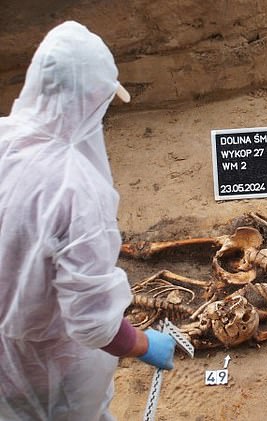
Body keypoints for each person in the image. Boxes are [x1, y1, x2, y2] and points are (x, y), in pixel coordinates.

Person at [0, 21, 176, 420]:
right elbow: (94, 326)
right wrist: (144, 344)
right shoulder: (76, 190)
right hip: (50, 371)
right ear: (94, 99)